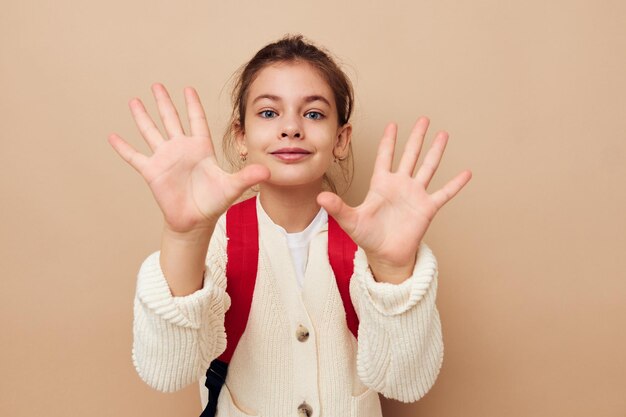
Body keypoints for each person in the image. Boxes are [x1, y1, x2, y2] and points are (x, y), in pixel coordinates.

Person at [108, 35, 472, 417]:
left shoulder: (372, 243)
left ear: (341, 139)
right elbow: (166, 372)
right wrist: (185, 237)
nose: (291, 128)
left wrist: (395, 271)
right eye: (268, 113)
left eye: (313, 114)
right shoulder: (218, 239)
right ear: (241, 136)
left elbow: (405, 382)